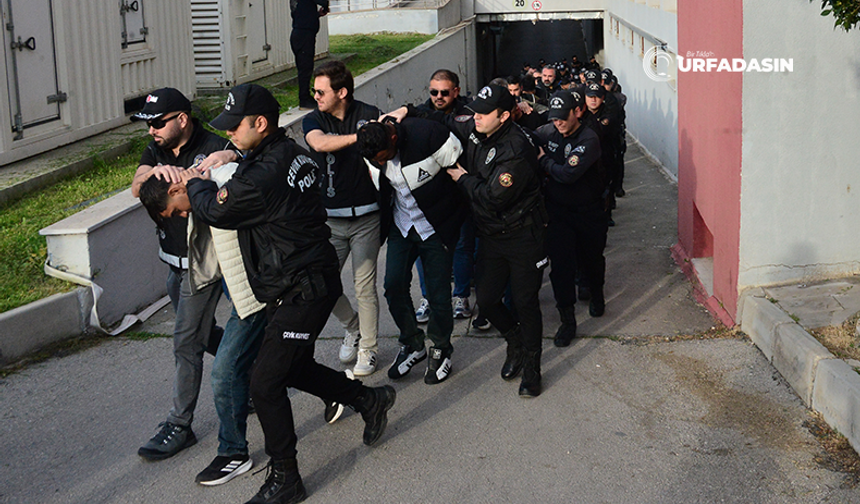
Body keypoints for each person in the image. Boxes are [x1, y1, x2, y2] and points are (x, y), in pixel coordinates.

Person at [185, 83, 395, 504]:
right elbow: (261, 168)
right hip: (296, 282)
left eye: (235, 127)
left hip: (304, 288)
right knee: (292, 369)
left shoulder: (263, 175)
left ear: (261, 123)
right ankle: (368, 399)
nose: (228, 133)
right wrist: (234, 155)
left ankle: (286, 477)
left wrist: (195, 182)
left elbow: (215, 210)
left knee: (264, 383)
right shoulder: (289, 151)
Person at [385, 84, 549, 397]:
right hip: (491, 235)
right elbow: (443, 119)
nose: (476, 117)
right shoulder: (476, 127)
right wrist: (407, 110)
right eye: (475, 111)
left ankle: (532, 366)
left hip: (523, 236)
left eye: (484, 113)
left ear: (504, 116)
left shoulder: (516, 149)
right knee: (486, 301)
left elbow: (493, 197)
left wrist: (462, 178)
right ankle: (514, 340)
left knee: (525, 303)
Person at [130, 87, 238, 462]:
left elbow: (235, 176)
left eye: (158, 123)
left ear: (182, 119)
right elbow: (136, 187)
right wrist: (153, 173)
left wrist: (214, 165)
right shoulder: (157, 150)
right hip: (172, 264)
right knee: (203, 335)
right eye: (148, 125)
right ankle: (253, 370)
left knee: (186, 343)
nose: (152, 131)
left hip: (201, 266)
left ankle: (179, 424)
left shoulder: (213, 146)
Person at [356, 118, 467, 384]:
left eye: (383, 157)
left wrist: (456, 220)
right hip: (402, 226)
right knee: (393, 285)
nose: (380, 162)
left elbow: (461, 168)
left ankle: (441, 347)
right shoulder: (373, 153)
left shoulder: (427, 134)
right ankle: (413, 343)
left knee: (438, 293)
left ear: (393, 139)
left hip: (435, 227)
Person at [303, 61, 382, 376]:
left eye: (321, 91)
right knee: (322, 283)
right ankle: (353, 327)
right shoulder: (314, 119)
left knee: (365, 287)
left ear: (342, 92)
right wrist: (358, 136)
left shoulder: (368, 112)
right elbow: (319, 143)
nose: (316, 96)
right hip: (330, 222)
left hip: (366, 217)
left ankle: (369, 349)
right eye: (315, 91)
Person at [534, 90, 607, 346]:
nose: (559, 123)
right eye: (554, 118)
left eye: (563, 118)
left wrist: (544, 161)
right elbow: (528, 136)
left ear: (577, 112)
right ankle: (567, 320)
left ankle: (596, 294)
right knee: (561, 269)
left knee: (592, 260)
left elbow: (567, 174)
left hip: (589, 212)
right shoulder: (549, 132)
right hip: (558, 213)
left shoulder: (589, 138)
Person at [290, 0, 329, 109]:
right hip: (304, 35)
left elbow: (303, 14)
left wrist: (316, 14)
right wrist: (326, 6)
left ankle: (305, 97)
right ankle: (304, 99)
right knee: (305, 68)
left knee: (304, 67)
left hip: (300, 34)